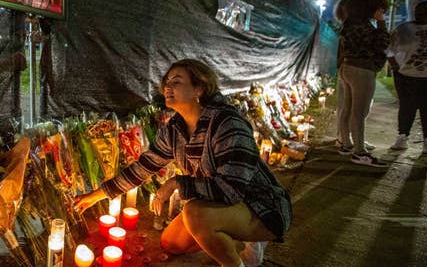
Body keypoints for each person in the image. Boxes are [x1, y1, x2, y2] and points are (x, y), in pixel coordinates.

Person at [74, 59, 292, 267]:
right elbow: (144, 167)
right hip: (218, 203)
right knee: (171, 243)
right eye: (167, 82)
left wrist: (177, 183)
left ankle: (237, 258)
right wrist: (97, 195)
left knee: (195, 213)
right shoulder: (175, 129)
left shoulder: (227, 124)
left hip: (259, 205)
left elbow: (231, 190)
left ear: (199, 89)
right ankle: (224, 231)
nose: (168, 87)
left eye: (176, 82)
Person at [334, 0, 390, 167]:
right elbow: (381, 43)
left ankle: (346, 144)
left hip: (349, 67)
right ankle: (359, 153)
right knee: (359, 112)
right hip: (361, 70)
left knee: (348, 109)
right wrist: (381, 23)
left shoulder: (350, 23)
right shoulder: (362, 25)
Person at [387, 0, 427, 155]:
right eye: (419, 10)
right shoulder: (404, 28)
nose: (423, 13)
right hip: (406, 75)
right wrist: (395, 67)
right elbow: (390, 50)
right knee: (407, 107)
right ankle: (402, 137)